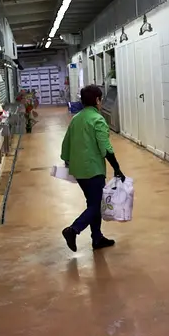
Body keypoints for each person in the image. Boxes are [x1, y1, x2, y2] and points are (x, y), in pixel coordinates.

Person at [60, 85, 125, 252]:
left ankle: (97, 238)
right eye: (100, 99)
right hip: (93, 170)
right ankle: (73, 230)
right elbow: (106, 148)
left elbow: (65, 146)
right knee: (97, 204)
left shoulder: (76, 119)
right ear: (97, 100)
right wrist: (117, 168)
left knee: (93, 203)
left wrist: (69, 163)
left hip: (79, 171)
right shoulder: (97, 120)